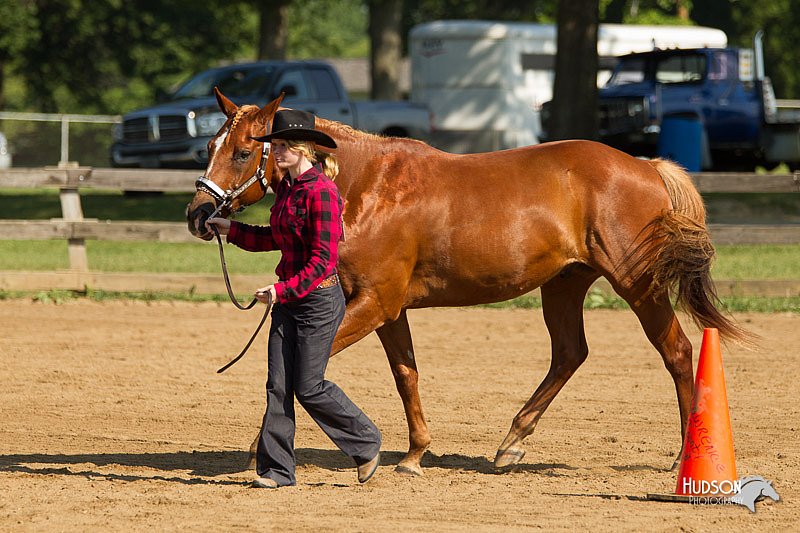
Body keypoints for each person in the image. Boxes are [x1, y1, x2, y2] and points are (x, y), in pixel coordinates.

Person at [206, 109, 381, 488]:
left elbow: (322, 261)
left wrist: (279, 289)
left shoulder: (323, 193)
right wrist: (231, 229)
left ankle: (366, 443)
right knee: (278, 387)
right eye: (276, 146)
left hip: (318, 302)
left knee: (309, 386)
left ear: (302, 150)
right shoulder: (287, 191)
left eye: (282, 146)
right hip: (289, 302)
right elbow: (275, 238)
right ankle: (277, 471)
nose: (275, 152)